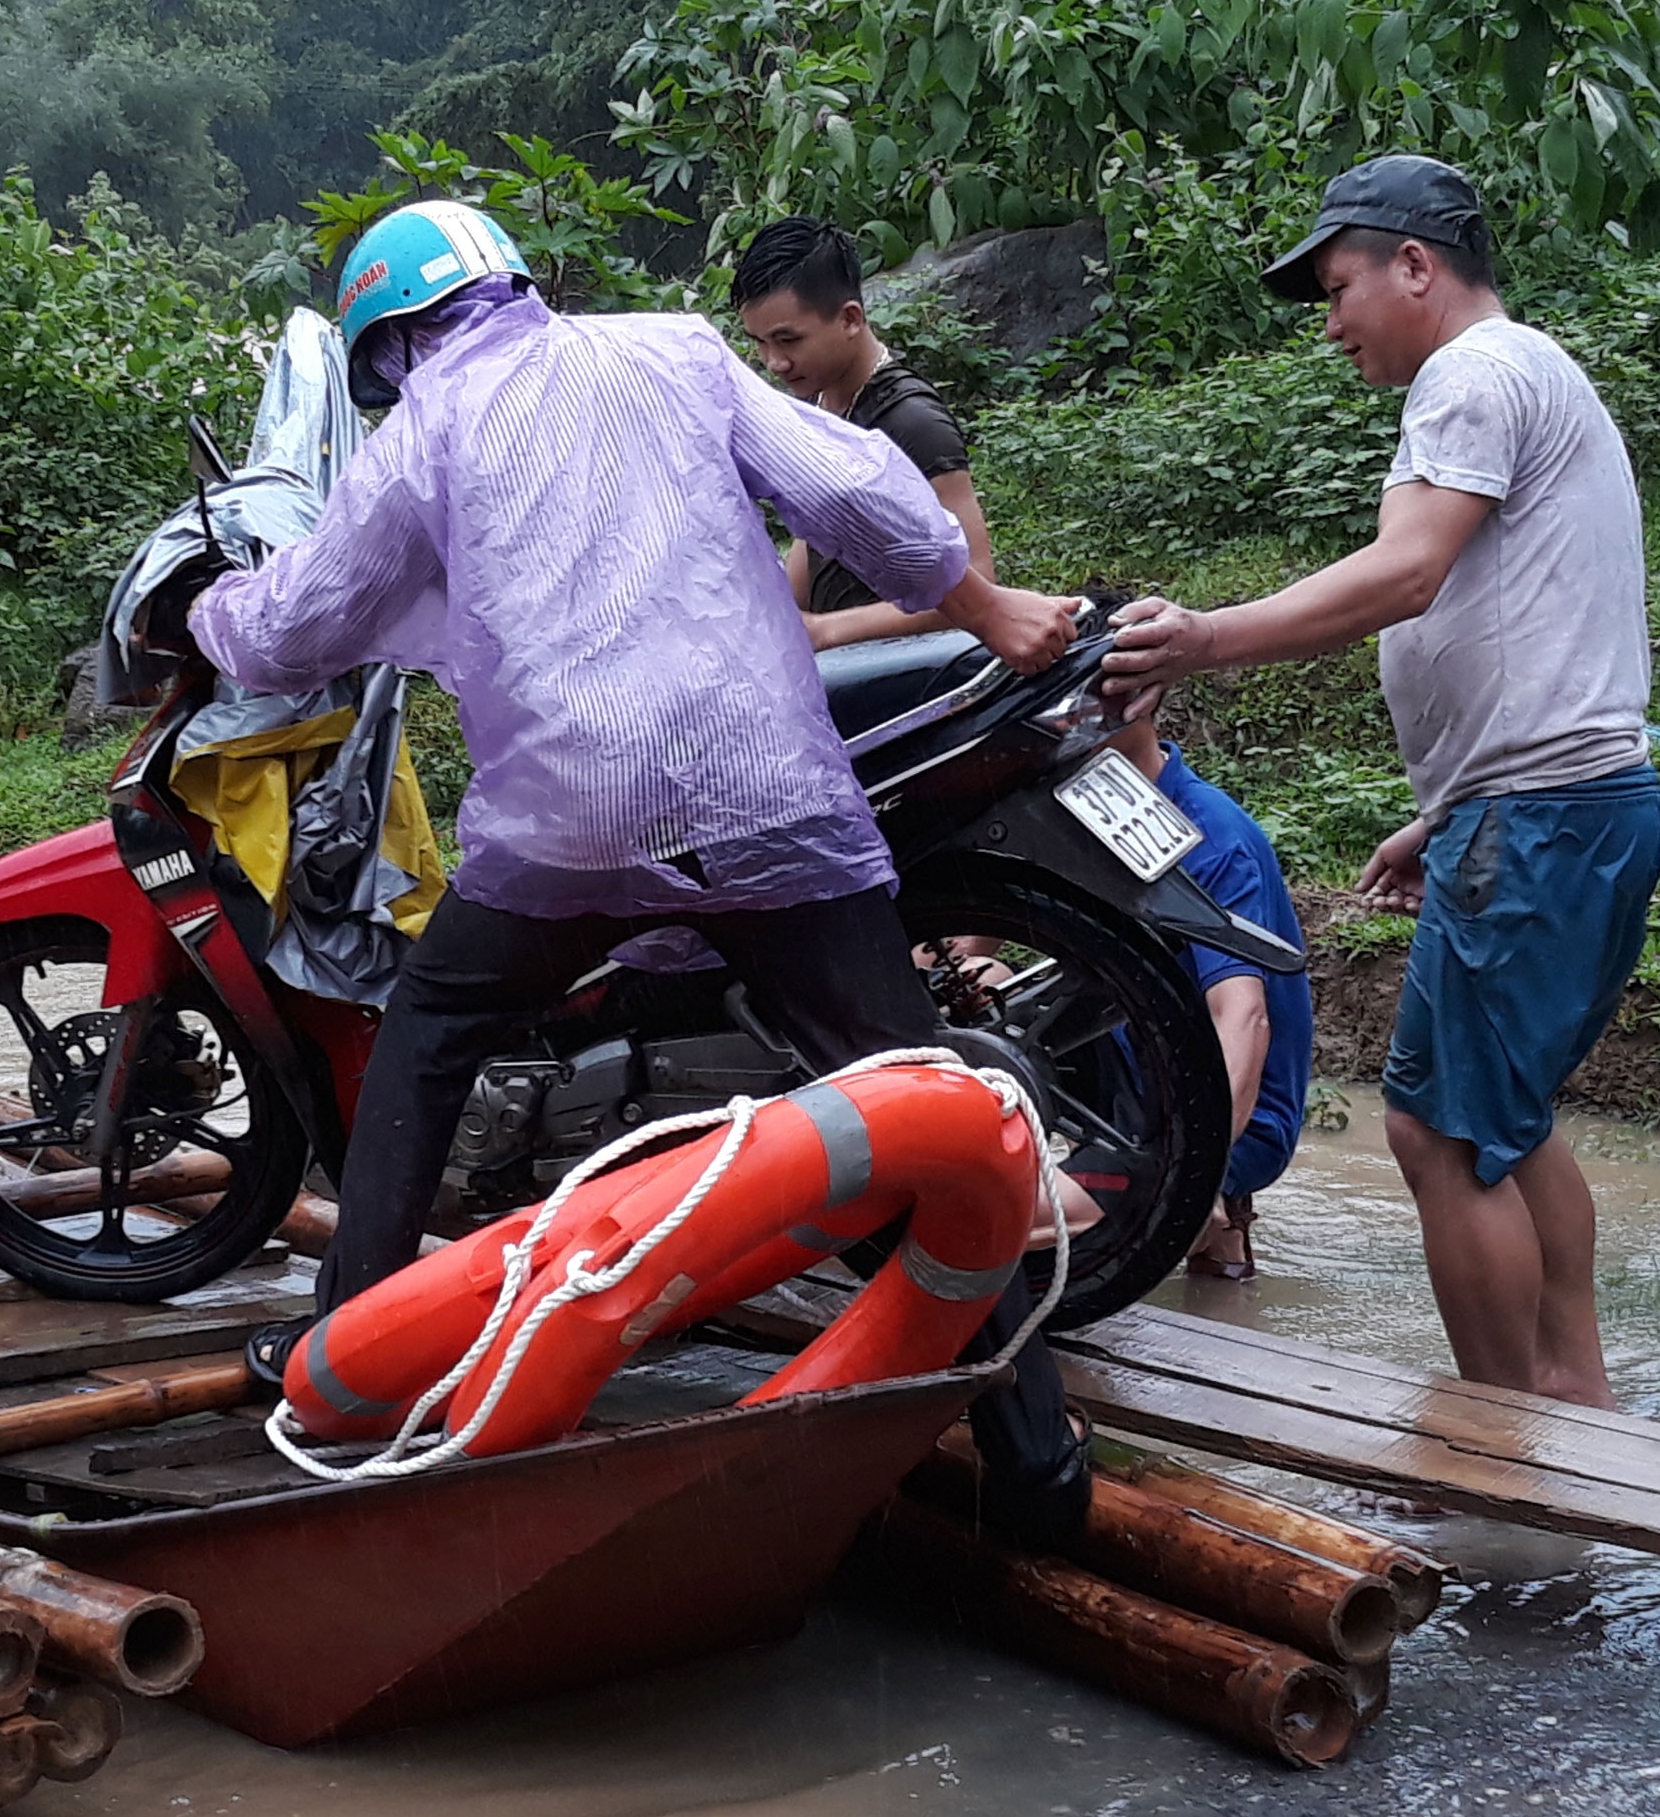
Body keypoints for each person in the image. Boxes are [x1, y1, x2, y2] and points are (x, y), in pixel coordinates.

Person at [190, 199, 1098, 1532]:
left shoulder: (424, 430)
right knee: (924, 1108)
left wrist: (213, 605)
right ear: (512, 283)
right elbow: (860, 495)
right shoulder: (673, 349)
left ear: (392, 345)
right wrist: (978, 600)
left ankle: (352, 1365)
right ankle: (1037, 1462)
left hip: (570, 821)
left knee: (432, 1028)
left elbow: (293, 624)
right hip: (770, 797)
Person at [1097, 155, 1660, 1409]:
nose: (1333, 322)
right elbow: (1545, 616)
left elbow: (1408, 574)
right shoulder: (1535, 371)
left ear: (1417, 265)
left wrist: (1202, 636)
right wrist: (1446, 813)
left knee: (1438, 1129)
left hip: (1541, 815)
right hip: (1564, 803)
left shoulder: (1471, 374)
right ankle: (1570, 1389)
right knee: (1505, 1114)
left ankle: (1502, 1434)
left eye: (1339, 286)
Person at [1105, 716, 1312, 1279]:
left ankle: (1212, 1207)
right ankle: (1223, 1251)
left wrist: (1195, 1170)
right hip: (1140, 1075)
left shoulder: (1212, 838)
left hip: (1234, 1117)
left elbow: (1244, 1015)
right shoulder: (1089, 812)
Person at [731, 218, 996, 651]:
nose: (774, 362)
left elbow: (981, 581)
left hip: (905, 675)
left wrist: (826, 629)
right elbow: (814, 538)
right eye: (760, 342)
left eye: (788, 340)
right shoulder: (821, 408)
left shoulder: (913, 422)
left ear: (850, 319)